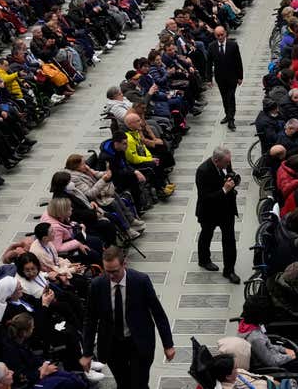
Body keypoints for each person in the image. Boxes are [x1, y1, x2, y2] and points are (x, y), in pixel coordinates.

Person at [80, 246, 175, 388]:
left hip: (139, 342)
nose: (111, 276)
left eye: (115, 271)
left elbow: (158, 312)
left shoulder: (140, 281)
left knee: (139, 383)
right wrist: (87, 353)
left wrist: (168, 344)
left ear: (124, 264)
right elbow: (91, 320)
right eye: (108, 271)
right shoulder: (97, 285)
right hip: (112, 345)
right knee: (123, 383)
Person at [195, 146, 240, 284]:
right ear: (216, 160)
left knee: (229, 240)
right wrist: (224, 190)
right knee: (206, 234)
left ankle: (229, 270)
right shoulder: (203, 171)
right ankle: (204, 259)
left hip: (226, 210)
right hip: (210, 211)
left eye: (228, 162)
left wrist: (234, 181)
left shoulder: (226, 162)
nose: (228, 165)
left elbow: (231, 174)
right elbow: (205, 197)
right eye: (226, 163)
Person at [206, 26, 243, 131]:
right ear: (215, 36)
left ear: (225, 33)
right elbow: (208, 63)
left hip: (232, 77)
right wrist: (209, 79)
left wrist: (240, 76)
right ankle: (228, 114)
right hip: (220, 77)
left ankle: (231, 119)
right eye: (218, 35)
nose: (220, 37)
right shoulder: (211, 46)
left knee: (231, 97)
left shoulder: (233, 45)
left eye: (222, 34)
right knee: (224, 97)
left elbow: (238, 61)